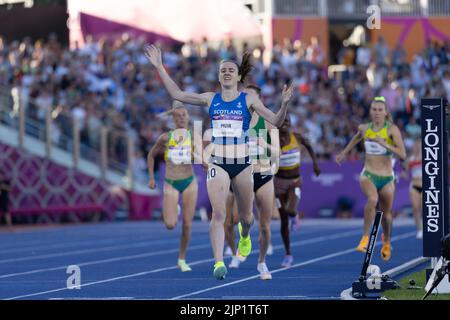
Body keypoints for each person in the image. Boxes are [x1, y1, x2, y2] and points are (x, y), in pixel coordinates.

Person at [144, 44, 293, 280]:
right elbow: (178, 94)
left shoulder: (249, 99)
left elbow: (275, 120)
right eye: (222, 70)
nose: (226, 73)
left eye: (230, 70)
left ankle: (244, 236)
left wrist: (284, 104)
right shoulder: (210, 98)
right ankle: (218, 262)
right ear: (218, 75)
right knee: (219, 214)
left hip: (243, 164)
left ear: (238, 76)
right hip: (218, 163)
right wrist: (159, 67)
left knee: (246, 218)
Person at [336, 96, 406, 261]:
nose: (376, 113)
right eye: (374, 109)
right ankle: (365, 237)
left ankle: (387, 242)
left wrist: (385, 144)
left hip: (387, 177)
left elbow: (402, 154)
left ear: (386, 112)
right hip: (368, 174)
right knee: (372, 200)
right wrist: (344, 153)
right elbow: (356, 138)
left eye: (380, 110)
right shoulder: (364, 128)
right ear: (370, 111)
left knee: (387, 214)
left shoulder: (392, 130)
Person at [224, 84, 280, 280]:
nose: (244, 98)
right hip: (241, 174)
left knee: (265, 225)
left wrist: (264, 144)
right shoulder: (236, 121)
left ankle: (262, 263)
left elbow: (277, 153)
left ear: (259, 99)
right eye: (243, 95)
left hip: (263, 174)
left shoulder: (268, 122)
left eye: (249, 95)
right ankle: (244, 238)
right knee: (240, 220)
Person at [147, 101, 203, 272]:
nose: (181, 118)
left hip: (189, 182)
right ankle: (174, 209)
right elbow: (151, 155)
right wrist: (151, 177)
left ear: (188, 117)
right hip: (171, 182)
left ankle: (182, 258)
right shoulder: (165, 138)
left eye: (184, 115)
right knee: (170, 225)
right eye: (177, 116)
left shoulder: (194, 136)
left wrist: (198, 156)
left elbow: (203, 160)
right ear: (173, 118)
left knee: (187, 225)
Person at [275, 115, 321, 267]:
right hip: (278, 183)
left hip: (295, 181)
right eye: (282, 122)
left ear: (291, 124)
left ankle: (295, 215)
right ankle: (288, 254)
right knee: (282, 221)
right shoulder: (272, 139)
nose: (285, 124)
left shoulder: (297, 137)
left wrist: (315, 163)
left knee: (290, 209)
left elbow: (309, 147)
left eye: (287, 122)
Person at [402, 138, 423, 239]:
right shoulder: (411, 159)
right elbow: (406, 173)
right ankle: (419, 229)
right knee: (415, 208)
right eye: (416, 145)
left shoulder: (427, 157)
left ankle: (427, 227)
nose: (417, 147)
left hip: (425, 186)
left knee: (425, 209)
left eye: (419, 145)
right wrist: (404, 174)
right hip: (414, 186)